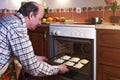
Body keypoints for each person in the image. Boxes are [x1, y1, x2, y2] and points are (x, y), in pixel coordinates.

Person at [0, 1, 69, 77]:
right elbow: (33, 69)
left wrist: (33, 58)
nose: (40, 23)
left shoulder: (10, 19)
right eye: (39, 19)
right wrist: (58, 69)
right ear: (31, 15)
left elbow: (15, 49)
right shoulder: (18, 29)